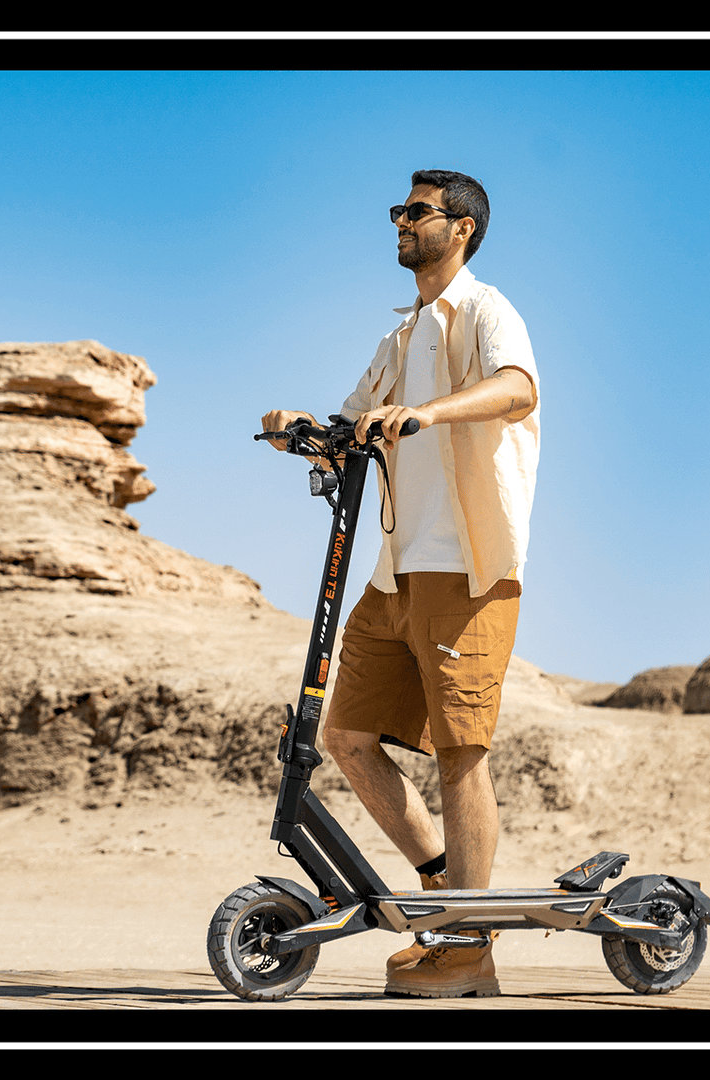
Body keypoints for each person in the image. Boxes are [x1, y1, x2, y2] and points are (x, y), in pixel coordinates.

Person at [261, 168, 539, 998]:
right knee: (345, 737)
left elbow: (518, 389)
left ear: (461, 229)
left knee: (460, 753)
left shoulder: (487, 311)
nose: (399, 222)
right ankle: (442, 888)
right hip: (394, 574)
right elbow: (353, 427)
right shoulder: (400, 338)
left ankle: (470, 949)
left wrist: (431, 412)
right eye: (397, 211)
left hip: (467, 566)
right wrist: (299, 431)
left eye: (414, 212)